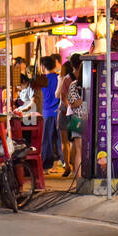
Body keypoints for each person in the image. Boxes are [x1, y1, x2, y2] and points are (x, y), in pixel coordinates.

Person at [64, 55, 85, 187]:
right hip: (78, 120)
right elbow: (73, 103)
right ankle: (79, 180)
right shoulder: (74, 85)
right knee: (79, 150)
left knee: (80, 151)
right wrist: (86, 98)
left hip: (81, 120)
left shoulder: (74, 85)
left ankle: (82, 179)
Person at [38, 55, 62, 171]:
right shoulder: (59, 78)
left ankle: (46, 166)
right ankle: (65, 163)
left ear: (43, 66)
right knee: (61, 140)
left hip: (47, 113)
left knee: (47, 141)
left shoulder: (41, 80)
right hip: (59, 113)